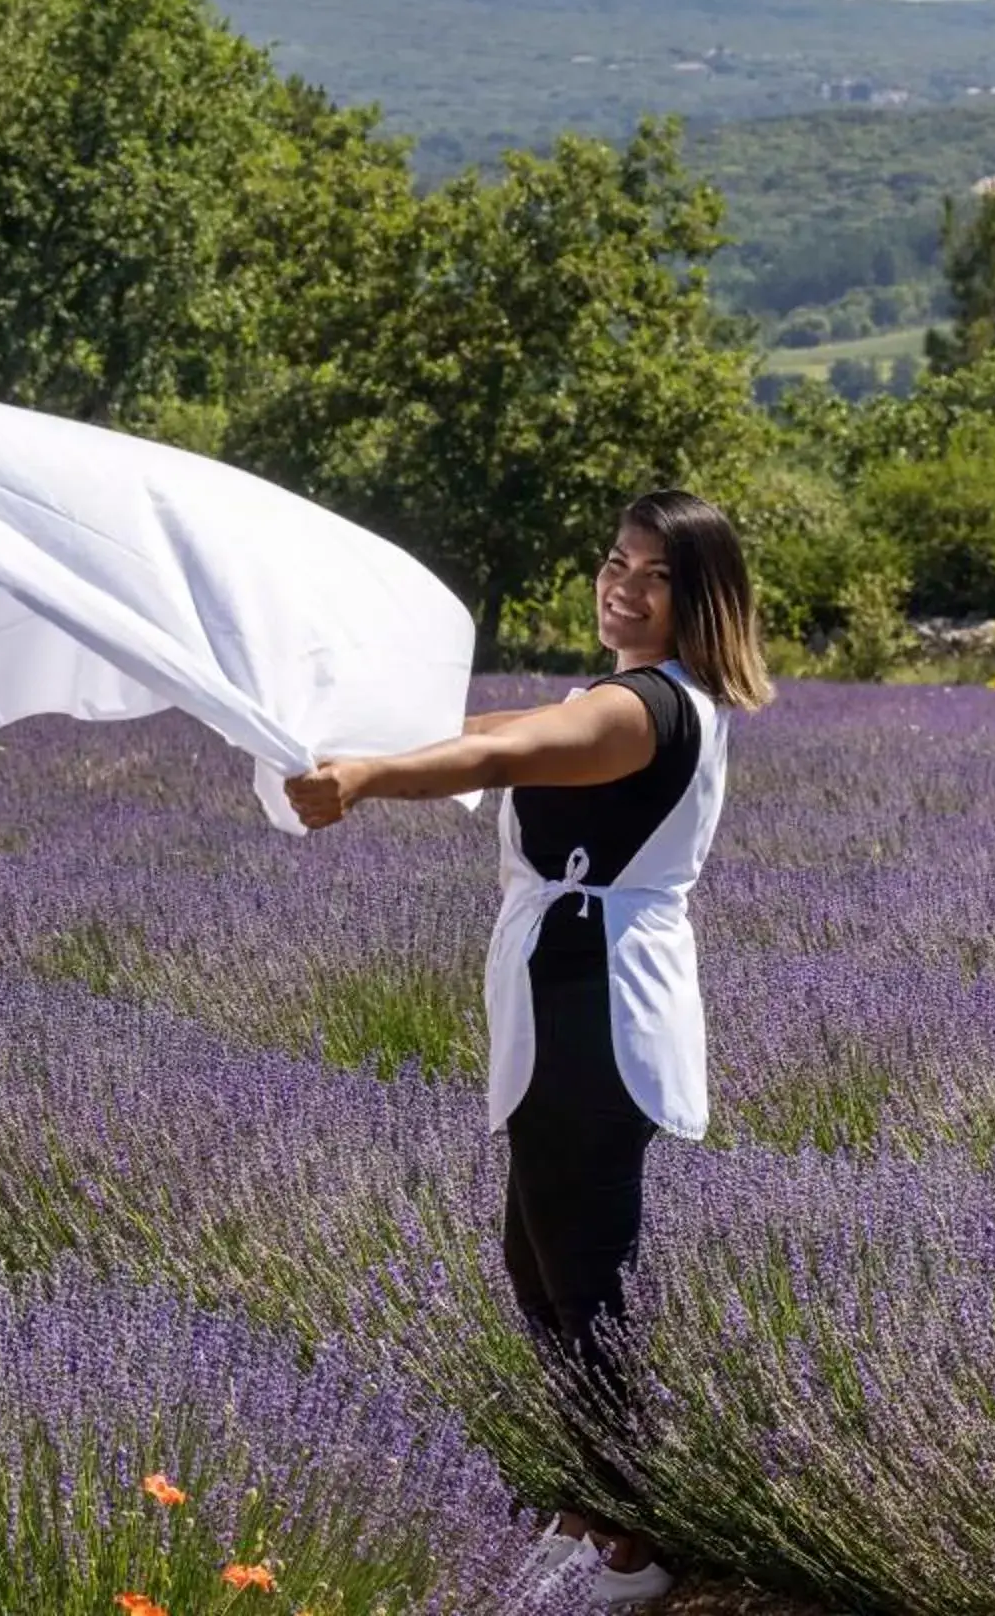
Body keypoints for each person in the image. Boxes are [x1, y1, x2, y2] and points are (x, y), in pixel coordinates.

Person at [284, 491, 771, 1610]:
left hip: (597, 1008)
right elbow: (495, 729)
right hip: (563, 993)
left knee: (588, 1278)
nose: (623, 585)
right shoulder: (627, 693)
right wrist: (360, 734)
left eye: (653, 574)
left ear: (697, 600)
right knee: (538, 1267)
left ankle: (634, 1543)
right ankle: (591, 1504)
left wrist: (363, 778)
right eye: (614, 561)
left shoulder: (644, 707)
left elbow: (510, 747)